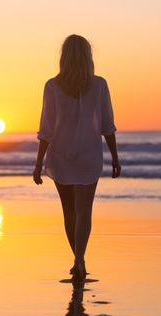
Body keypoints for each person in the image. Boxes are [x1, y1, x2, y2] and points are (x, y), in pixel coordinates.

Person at [33, 34, 121, 282]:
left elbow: (46, 130)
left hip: (61, 155)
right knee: (84, 212)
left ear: (64, 57)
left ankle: (78, 260)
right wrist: (115, 157)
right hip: (89, 156)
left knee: (69, 213)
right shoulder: (99, 84)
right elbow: (107, 126)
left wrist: (39, 163)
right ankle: (79, 260)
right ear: (87, 56)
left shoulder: (52, 85)